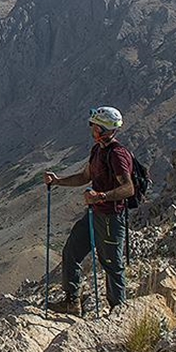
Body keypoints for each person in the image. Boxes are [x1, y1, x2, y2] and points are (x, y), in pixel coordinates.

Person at [42, 106, 134, 314]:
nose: (91, 129)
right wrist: (58, 181)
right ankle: (71, 301)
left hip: (111, 217)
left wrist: (101, 196)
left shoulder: (118, 155)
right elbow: (85, 177)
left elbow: (128, 188)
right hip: (94, 213)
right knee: (71, 252)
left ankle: (118, 312)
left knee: (111, 263)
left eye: (94, 126)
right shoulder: (98, 150)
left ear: (104, 129)